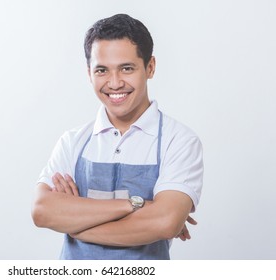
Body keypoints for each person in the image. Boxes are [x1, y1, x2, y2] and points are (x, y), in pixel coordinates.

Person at [32, 14, 203, 260]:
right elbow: (42, 211)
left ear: (150, 67)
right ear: (89, 73)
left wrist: (76, 225)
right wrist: (139, 204)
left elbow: (165, 222)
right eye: (102, 70)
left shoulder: (179, 141)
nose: (114, 83)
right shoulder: (72, 142)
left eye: (126, 68)